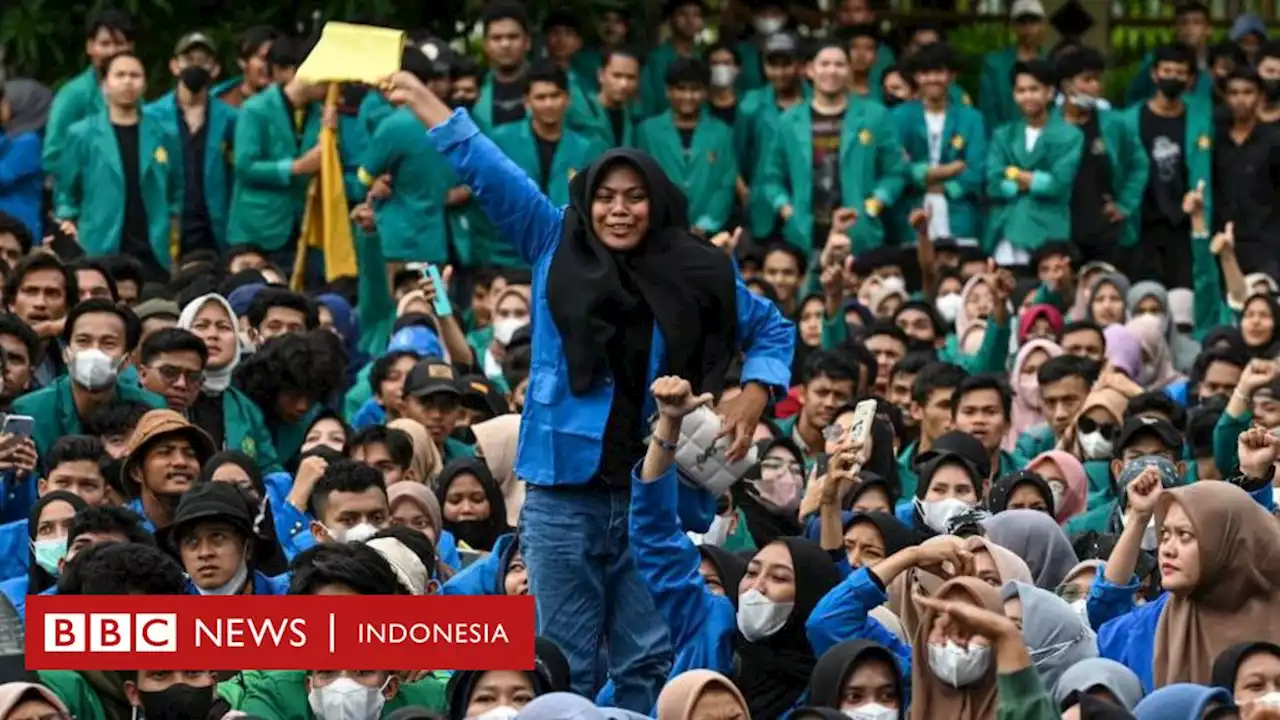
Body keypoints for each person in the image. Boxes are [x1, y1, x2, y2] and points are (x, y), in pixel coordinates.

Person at [383, 68, 792, 712]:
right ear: (586, 201)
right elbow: (490, 172)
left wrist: (755, 392)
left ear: (657, 202)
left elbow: (772, 328)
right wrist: (427, 102)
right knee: (560, 655)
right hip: (561, 493)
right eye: (605, 197)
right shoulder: (552, 241)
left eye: (635, 197)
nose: (619, 210)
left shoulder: (693, 267)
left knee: (647, 657)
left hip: (652, 498)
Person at [757, 40, 905, 256]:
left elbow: (895, 171)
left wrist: (873, 207)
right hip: (804, 233)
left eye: (839, 64)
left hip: (860, 231)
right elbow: (771, 177)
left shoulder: (875, 116)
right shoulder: (788, 121)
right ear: (809, 70)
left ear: (850, 71)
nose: (832, 71)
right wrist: (787, 210)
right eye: (824, 64)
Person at [55, 51, 181, 283]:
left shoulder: (164, 133)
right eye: (119, 75)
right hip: (99, 242)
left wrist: (173, 228)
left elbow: (177, 188)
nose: (127, 81)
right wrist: (69, 225)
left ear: (144, 83)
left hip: (152, 245)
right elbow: (66, 192)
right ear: (105, 84)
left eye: (135, 75)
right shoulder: (82, 134)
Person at [13, 299, 164, 458]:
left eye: (108, 343)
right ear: (66, 353)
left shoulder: (152, 410)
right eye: (83, 341)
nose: (94, 352)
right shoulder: (29, 411)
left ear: (126, 360)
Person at [227, 38, 330, 270]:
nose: (330, 88)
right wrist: (296, 167)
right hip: (258, 229)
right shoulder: (255, 109)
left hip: (301, 226)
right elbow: (244, 165)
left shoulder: (320, 114)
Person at [1123, 42, 1214, 291]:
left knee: (1184, 300)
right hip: (1141, 228)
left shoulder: (1202, 118)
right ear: (1154, 74)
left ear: (1191, 78)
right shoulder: (1130, 120)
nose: (1173, 77)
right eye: (1167, 70)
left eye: (1180, 72)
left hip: (1185, 227)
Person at [144, 31, 238, 255]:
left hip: (216, 231)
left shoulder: (231, 118)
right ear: (174, 66)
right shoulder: (150, 117)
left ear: (214, 69)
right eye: (188, 59)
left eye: (203, 60)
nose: (195, 66)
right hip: (169, 226)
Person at [1056, 46, 1149, 270]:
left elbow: (1140, 164)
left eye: (1097, 80)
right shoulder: (1051, 124)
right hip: (1059, 226)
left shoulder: (1115, 123)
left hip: (1104, 229)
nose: (1094, 86)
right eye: (1087, 80)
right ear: (1067, 84)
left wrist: (1125, 204)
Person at [985, 59, 1082, 265]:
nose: (1027, 96)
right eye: (1021, 90)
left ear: (1049, 93)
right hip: (1006, 230)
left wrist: (1014, 175)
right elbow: (993, 184)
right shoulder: (1003, 134)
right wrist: (1036, 180)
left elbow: (1059, 184)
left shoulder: (1070, 135)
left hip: (1048, 233)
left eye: (1033, 89)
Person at [891, 42, 985, 246]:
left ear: (951, 76)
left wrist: (945, 187)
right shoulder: (898, 117)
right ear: (916, 77)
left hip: (959, 213)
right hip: (912, 211)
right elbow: (895, 166)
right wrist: (945, 170)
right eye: (925, 72)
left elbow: (976, 168)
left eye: (938, 72)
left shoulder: (971, 118)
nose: (932, 79)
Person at [636, 57, 737, 236]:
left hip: (708, 234)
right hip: (658, 232)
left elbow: (725, 184)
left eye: (695, 89)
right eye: (680, 89)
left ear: (706, 92)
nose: (688, 96)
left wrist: (705, 225)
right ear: (668, 91)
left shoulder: (722, 132)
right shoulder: (647, 131)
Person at [43, 9, 135, 187]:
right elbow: (53, 156)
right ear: (90, 47)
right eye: (105, 43)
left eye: (119, 43)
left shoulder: (134, 93)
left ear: (131, 47)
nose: (112, 51)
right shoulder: (73, 95)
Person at [1213, 66, 1280, 280]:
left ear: (1260, 96)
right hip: (1222, 242)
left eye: (1247, 92)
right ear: (1225, 98)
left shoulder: (1274, 140)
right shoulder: (1215, 141)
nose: (1240, 100)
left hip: (1266, 245)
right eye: (1234, 93)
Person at [121, 409, 216, 532]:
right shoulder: (120, 531)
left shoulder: (214, 526)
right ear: (137, 471)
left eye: (190, 454)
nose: (181, 462)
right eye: (165, 453)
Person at [978, 0, 1047, 131]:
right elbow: (989, 114)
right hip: (1005, 142)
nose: (1028, 28)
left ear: (1043, 25)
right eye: (1022, 22)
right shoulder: (994, 64)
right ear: (1013, 26)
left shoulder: (1051, 62)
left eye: (1033, 21)